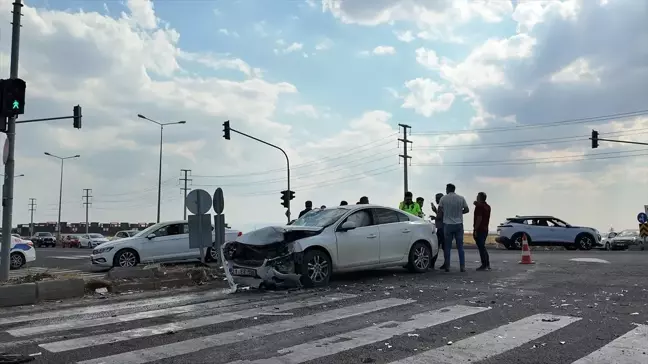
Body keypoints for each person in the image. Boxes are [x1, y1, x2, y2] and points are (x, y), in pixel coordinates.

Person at [438, 183, 469, 272]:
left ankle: (447, 266)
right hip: (459, 224)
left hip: (447, 224)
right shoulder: (461, 198)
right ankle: (462, 266)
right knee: (460, 246)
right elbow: (467, 210)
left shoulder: (443, 198)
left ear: (448, 189)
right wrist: (459, 213)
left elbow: (440, 211)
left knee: (447, 246)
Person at [473, 192, 491, 271]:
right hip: (485, 228)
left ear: (479, 197)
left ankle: (484, 264)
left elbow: (479, 218)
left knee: (481, 247)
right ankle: (487, 263)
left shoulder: (479, 207)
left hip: (480, 229)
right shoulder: (487, 206)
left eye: (477, 196)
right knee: (482, 247)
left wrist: (475, 229)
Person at [430, 193, 446, 268]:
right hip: (443, 228)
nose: (436, 199)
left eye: (437, 198)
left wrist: (434, 217)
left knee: (436, 246)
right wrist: (435, 211)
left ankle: (432, 263)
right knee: (444, 247)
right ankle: (446, 263)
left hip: (441, 228)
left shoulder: (441, 206)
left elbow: (440, 217)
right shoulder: (444, 206)